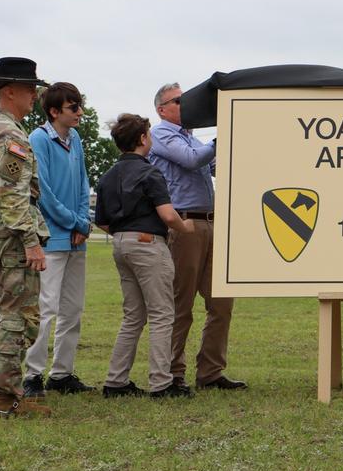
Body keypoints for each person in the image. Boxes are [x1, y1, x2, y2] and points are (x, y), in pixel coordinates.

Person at [148, 83, 245, 391]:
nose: (184, 104)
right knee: (181, 302)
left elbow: (214, 164)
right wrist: (221, 136)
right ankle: (173, 373)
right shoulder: (161, 134)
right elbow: (192, 160)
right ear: (162, 109)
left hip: (210, 222)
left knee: (221, 302)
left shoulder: (190, 137)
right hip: (184, 224)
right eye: (178, 100)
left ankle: (211, 372)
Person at [95, 114, 195, 398]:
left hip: (121, 244)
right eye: (149, 135)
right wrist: (183, 226)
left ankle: (116, 381)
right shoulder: (150, 173)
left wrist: (124, 233)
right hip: (148, 243)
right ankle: (162, 383)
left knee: (133, 316)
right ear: (142, 139)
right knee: (162, 314)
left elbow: (101, 221)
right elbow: (166, 213)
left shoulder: (108, 175)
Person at [0, 57, 51, 417]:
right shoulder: (9, 133)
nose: (34, 96)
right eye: (29, 89)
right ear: (9, 91)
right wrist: (30, 241)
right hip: (9, 233)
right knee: (17, 316)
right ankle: (6, 397)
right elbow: (12, 194)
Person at [23, 82, 95, 397]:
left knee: (72, 308)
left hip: (76, 238)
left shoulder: (75, 138)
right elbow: (44, 193)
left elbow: (83, 182)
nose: (79, 112)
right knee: (46, 308)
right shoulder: (38, 139)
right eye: (73, 107)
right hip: (51, 238)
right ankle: (32, 376)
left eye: (79, 105)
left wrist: (83, 221)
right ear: (55, 111)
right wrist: (73, 221)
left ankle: (62, 374)